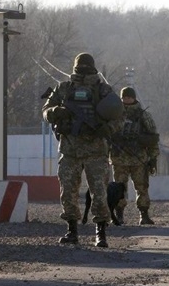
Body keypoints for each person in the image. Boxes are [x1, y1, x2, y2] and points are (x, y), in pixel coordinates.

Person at [42, 53, 123, 247]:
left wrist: (108, 128)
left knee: (99, 192)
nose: (83, 71)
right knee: (68, 191)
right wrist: (55, 112)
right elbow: (46, 112)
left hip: (96, 150)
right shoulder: (63, 88)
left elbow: (119, 116)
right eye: (81, 68)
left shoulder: (103, 90)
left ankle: (100, 232)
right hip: (70, 149)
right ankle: (72, 230)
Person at [109, 86, 160, 225]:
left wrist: (153, 157)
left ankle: (144, 214)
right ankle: (119, 215)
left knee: (142, 187)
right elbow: (107, 133)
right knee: (119, 188)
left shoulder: (143, 115)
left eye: (129, 97)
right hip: (119, 159)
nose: (126, 100)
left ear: (134, 98)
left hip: (139, 159)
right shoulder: (115, 114)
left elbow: (153, 137)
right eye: (124, 98)